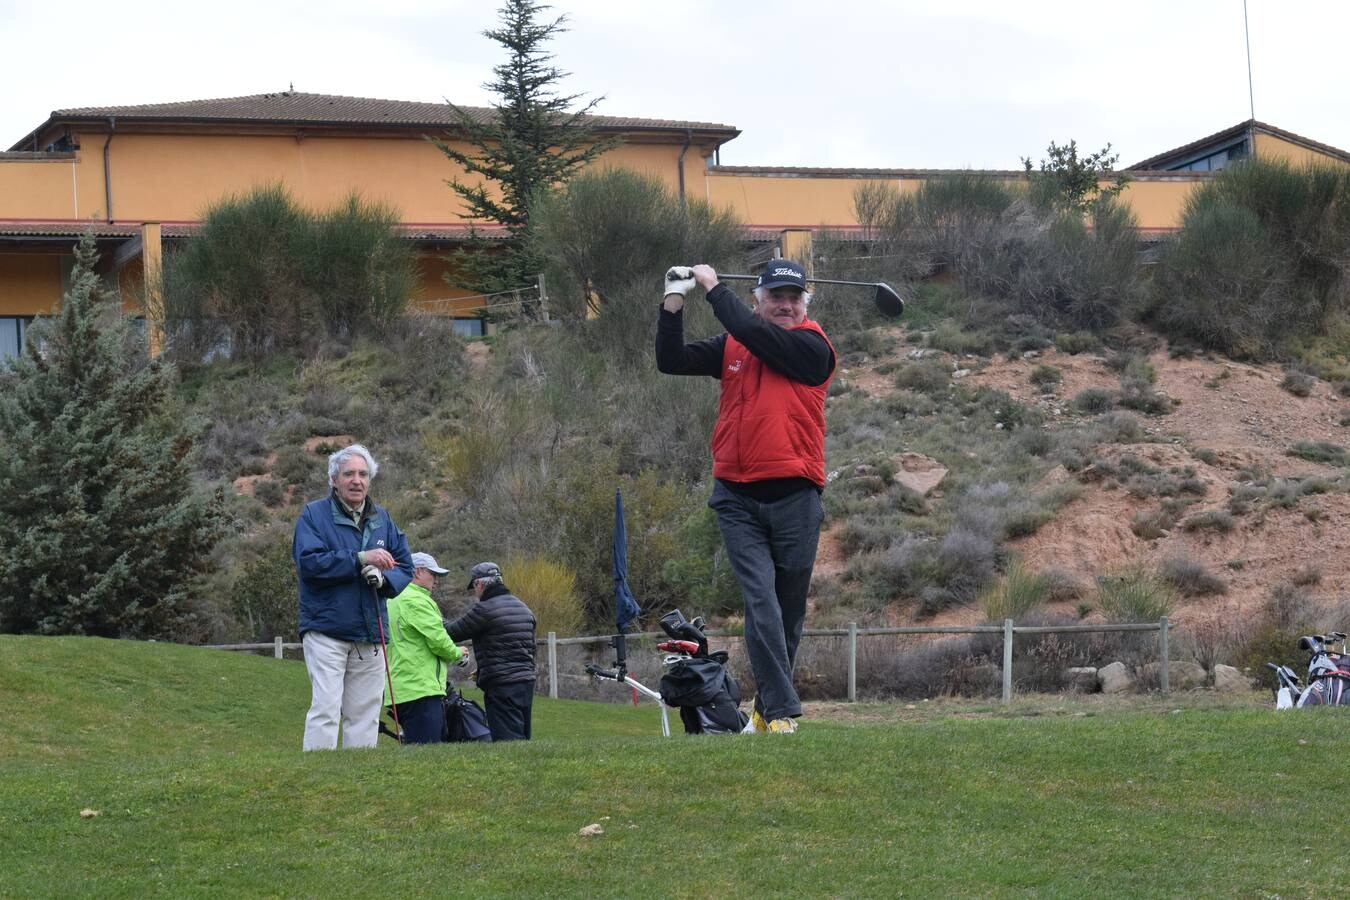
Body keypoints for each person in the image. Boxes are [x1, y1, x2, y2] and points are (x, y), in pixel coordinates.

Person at [656, 260, 836, 735]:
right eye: (776, 296)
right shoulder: (735, 344)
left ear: (804, 305)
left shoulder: (812, 347)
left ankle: (763, 708)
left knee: (788, 611)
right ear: (758, 302)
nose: (786, 305)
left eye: (794, 297)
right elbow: (670, 360)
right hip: (737, 497)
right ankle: (780, 715)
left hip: (796, 495)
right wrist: (674, 300)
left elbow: (757, 336)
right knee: (761, 602)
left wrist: (715, 289)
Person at [294, 443, 414, 751]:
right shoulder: (313, 515)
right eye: (349, 474)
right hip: (326, 631)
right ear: (334, 480)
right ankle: (318, 779)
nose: (356, 480)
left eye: (363, 474)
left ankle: (358, 782)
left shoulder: (383, 519)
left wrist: (384, 579)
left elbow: (406, 565)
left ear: (370, 480)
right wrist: (360, 559)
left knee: (365, 715)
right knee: (326, 709)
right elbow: (309, 563)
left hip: (370, 632)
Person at [446, 562, 537, 742]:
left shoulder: (485, 609)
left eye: (474, 587)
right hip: (526, 681)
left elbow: (452, 632)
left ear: (479, 584)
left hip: (501, 683)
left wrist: (431, 618)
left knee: (507, 739)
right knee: (523, 734)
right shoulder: (524, 608)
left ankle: (511, 769)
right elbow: (525, 647)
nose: (475, 592)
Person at [385, 551, 468, 744]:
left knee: (415, 749)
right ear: (417, 572)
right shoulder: (416, 600)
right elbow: (438, 638)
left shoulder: (393, 598)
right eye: (433, 573)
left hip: (402, 687)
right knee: (426, 751)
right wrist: (457, 654)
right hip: (420, 688)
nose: (436, 580)